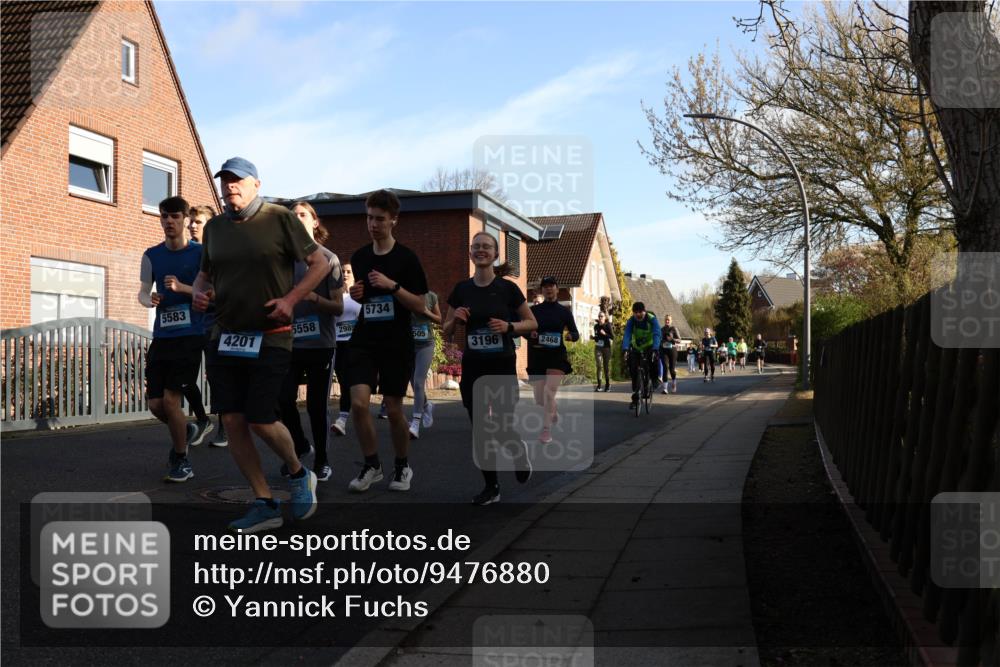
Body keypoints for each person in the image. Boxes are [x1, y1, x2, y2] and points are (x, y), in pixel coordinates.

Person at [192, 157, 329, 533]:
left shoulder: (279, 218)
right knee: (233, 420)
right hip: (227, 337)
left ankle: (300, 474)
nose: (230, 186)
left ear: (256, 184)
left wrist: (290, 300)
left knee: (262, 418)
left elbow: (320, 264)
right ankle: (264, 501)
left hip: (270, 336)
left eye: (237, 180)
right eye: (225, 180)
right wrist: (200, 295)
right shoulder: (216, 228)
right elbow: (204, 276)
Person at [443, 231, 537, 505]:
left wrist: (509, 327)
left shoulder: (507, 289)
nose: (481, 250)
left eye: (486, 247)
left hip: (501, 365)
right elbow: (446, 330)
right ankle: (491, 486)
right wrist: (456, 319)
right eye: (476, 246)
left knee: (503, 425)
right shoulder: (461, 290)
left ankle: (518, 451)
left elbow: (531, 323)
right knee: (480, 428)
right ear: (470, 253)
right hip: (473, 366)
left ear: (496, 255)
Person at [345, 190, 429, 494]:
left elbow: (420, 306)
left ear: (393, 220)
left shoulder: (406, 258)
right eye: (369, 218)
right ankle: (371, 465)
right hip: (365, 339)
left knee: (393, 409)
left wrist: (392, 286)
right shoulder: (360, 257)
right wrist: (358, 294)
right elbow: (365, 298)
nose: (373, 224)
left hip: (397, 342)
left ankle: (402, 464)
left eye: (379, 219)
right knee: (357, 404)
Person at [138, 196, 208, 482]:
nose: (168, 221)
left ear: (185, 220)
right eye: (164, 216)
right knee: (155, 404)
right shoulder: (151, 255)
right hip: (162, 336)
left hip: (191, 335)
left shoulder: (201, 253)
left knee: (170, 400)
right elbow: (142, 291)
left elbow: (209, 294)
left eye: (174, 217)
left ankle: (182, 460)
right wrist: (149, 299)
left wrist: (182, 288)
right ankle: (186, 431)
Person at [275, 202, 344, 483]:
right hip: (289, 343)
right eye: (292, 216)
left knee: (317, 406)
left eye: (302, 214)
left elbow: (338, 307)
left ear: (315, 222)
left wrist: (314, 298)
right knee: (282, 400)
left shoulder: (329, 259)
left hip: (320, 344)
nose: (296, 219)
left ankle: (323, 461)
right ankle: (301, 445)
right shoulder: (282, 261)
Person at [185, 204, 226, 447]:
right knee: (185, 377)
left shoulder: (218, 252)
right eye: (190, 221)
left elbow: (220, 288)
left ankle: (225, 428)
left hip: (213, 323)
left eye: (197, 222)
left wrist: (184, 289)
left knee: (216, 377)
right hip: (189, 325)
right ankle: (202, 420)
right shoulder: (185, 252)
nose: (192, 226)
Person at [527, 276, 579, 444]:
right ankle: (553, 411)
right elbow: (522, 329)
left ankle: (546, 430)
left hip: (557, 356)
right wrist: (530, 334)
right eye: (545, 287)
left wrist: (571, 336)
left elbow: (576, 333)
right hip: (538, 356)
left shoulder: (564, 312)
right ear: (542, 290)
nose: (549, 289)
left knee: (549, 393)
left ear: (557, 289)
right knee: (540, 399)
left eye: (552, 286)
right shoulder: (534, 311)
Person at [331, 263, 360, 437]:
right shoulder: (334, 296)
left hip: (355, 344)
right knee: (344, 383)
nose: (346, 274)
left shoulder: (359, 296)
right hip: (337, 343)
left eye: (349, 271)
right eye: (343, 271)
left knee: (352, 382)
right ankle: (345, 416)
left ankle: (342, 419)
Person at [408, 291, 442, 439]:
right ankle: (427, 405)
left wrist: (425, 311)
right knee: (413, 382)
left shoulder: (431, 296)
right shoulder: (402, 293)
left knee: (418, 382)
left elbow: (439, 319)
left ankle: (415, 423)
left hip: (425, 344)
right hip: (407, 345)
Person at [621, 302, 660, 411]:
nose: (638, 315)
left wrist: (655, 348)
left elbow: (657, 333)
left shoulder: (651, 319)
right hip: (636, 347)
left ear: (645, 311)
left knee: (653, 361)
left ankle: (654, 379)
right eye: (635, 313)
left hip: (650, 345)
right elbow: (627, 335)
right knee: (633, 370)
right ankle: (635, 399)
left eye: (640, 312)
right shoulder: (631, 321)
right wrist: (625, 349)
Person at [659, 315, 681, 394]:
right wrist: (661, 342)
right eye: (666, 320)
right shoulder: (661, 329)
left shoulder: (674, 329)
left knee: (672, 369)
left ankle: (674, 383)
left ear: (671, 321)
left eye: (668, 320)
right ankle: (665, 388)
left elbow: (679, 340)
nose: (667, 321)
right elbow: (659, 339)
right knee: (665, 367)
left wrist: (672, 339)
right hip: (663, 350)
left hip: (672, 351)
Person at [593, 312, 613, 392]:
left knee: (605, 367)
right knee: (598, 366)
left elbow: (612, 337)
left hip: (606, 348)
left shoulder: (608, 325)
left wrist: (605, 334)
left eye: (601, 316)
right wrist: (593, 338)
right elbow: (597, 338)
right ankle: (599, 385)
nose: (600, 317)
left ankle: (607, 385)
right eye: (599, 316)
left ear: (605, 317)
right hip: (598, 347)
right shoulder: (596, 326)